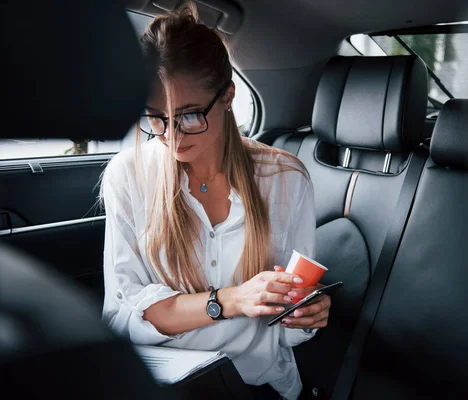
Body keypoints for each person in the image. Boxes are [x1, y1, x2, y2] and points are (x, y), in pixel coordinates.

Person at [100, 3, 330, 399]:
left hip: (254, 384)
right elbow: (123, 314)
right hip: (164, 384)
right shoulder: (128, 175)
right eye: (156, 117)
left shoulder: (286, 180)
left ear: (227, 97)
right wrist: (231, 300)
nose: (171, 135)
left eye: (189, 116)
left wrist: (306, 315)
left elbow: (290, 321)